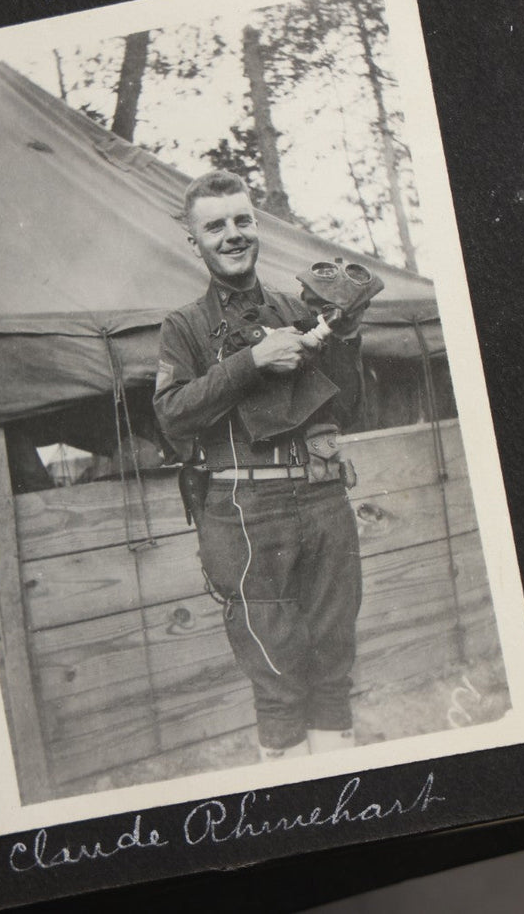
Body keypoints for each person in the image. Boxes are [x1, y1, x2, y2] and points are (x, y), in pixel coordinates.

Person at [154, 169, 370, 761]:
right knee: (278, 683)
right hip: (246, 517)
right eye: (215, 225)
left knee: (333, 671)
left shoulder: (298, 307)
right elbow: (171, 416)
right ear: (192, 240)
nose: (232, 234)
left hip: (324, 501)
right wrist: (252, 360)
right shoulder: (184, 327)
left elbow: (347, 408)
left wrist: (347, 338)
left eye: (242, 220)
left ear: (257, 227)